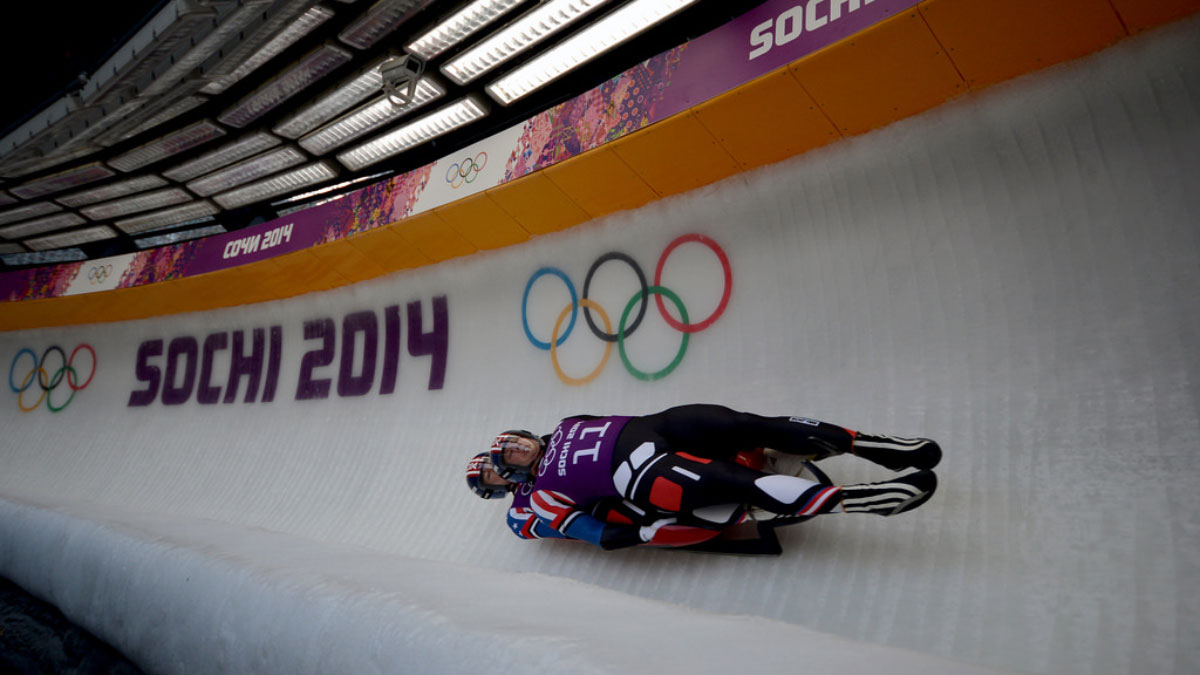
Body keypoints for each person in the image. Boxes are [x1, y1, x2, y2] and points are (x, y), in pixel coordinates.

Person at [465, 404, 941, 550]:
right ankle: (859, 499)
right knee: (736, 483)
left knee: (749, 424)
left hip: (659, 426)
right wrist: (643, 532)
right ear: (507, 477)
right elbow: (593, 531)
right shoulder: (540, 497)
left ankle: (876, 445)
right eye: (509, 456)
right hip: (642, 474)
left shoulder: (568, 423)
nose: (519, 449)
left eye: (515, 441)